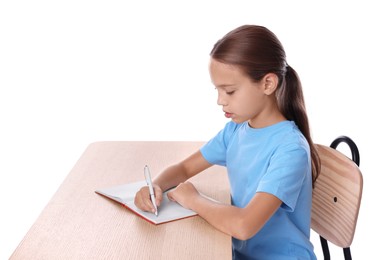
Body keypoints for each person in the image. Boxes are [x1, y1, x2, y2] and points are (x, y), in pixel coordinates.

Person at [134, 24, 320, 259]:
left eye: (230, 91)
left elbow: (244, 226)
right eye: (217, 90)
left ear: (268, 84)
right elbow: (184, 168)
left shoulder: (290, 149)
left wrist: (194, 200)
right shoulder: (235, 131)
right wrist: (156, 187)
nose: (220, 101)